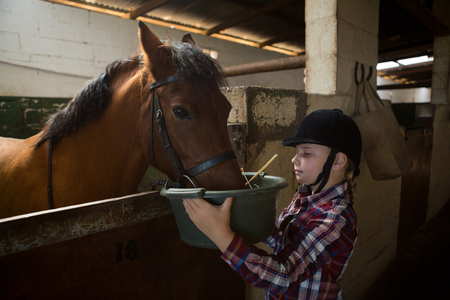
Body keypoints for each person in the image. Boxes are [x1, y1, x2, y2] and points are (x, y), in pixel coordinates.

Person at [183, 109, 362, 299]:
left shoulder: (336, 218)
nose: (294, 159)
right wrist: (245, 211)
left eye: (306, 153)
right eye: (296, 152)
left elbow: (282, 276)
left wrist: (220, 234)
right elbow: (281, 237)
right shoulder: (305, 198)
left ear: (338, 161)